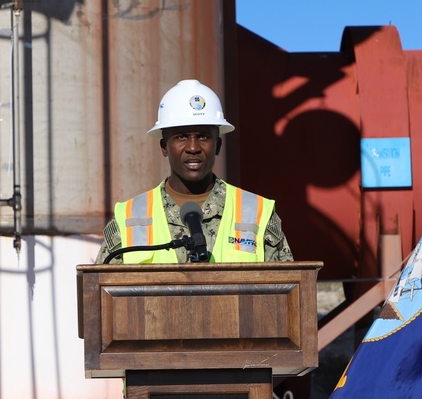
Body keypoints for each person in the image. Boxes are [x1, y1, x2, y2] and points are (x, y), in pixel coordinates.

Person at [97, 79, 293, 264]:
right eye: (182, 137)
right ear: (164, 147)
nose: (193, 147)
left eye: (203, 136)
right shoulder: (129, 217)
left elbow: (287, 289)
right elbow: (101, 292)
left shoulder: (256, 213)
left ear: (217, 146)